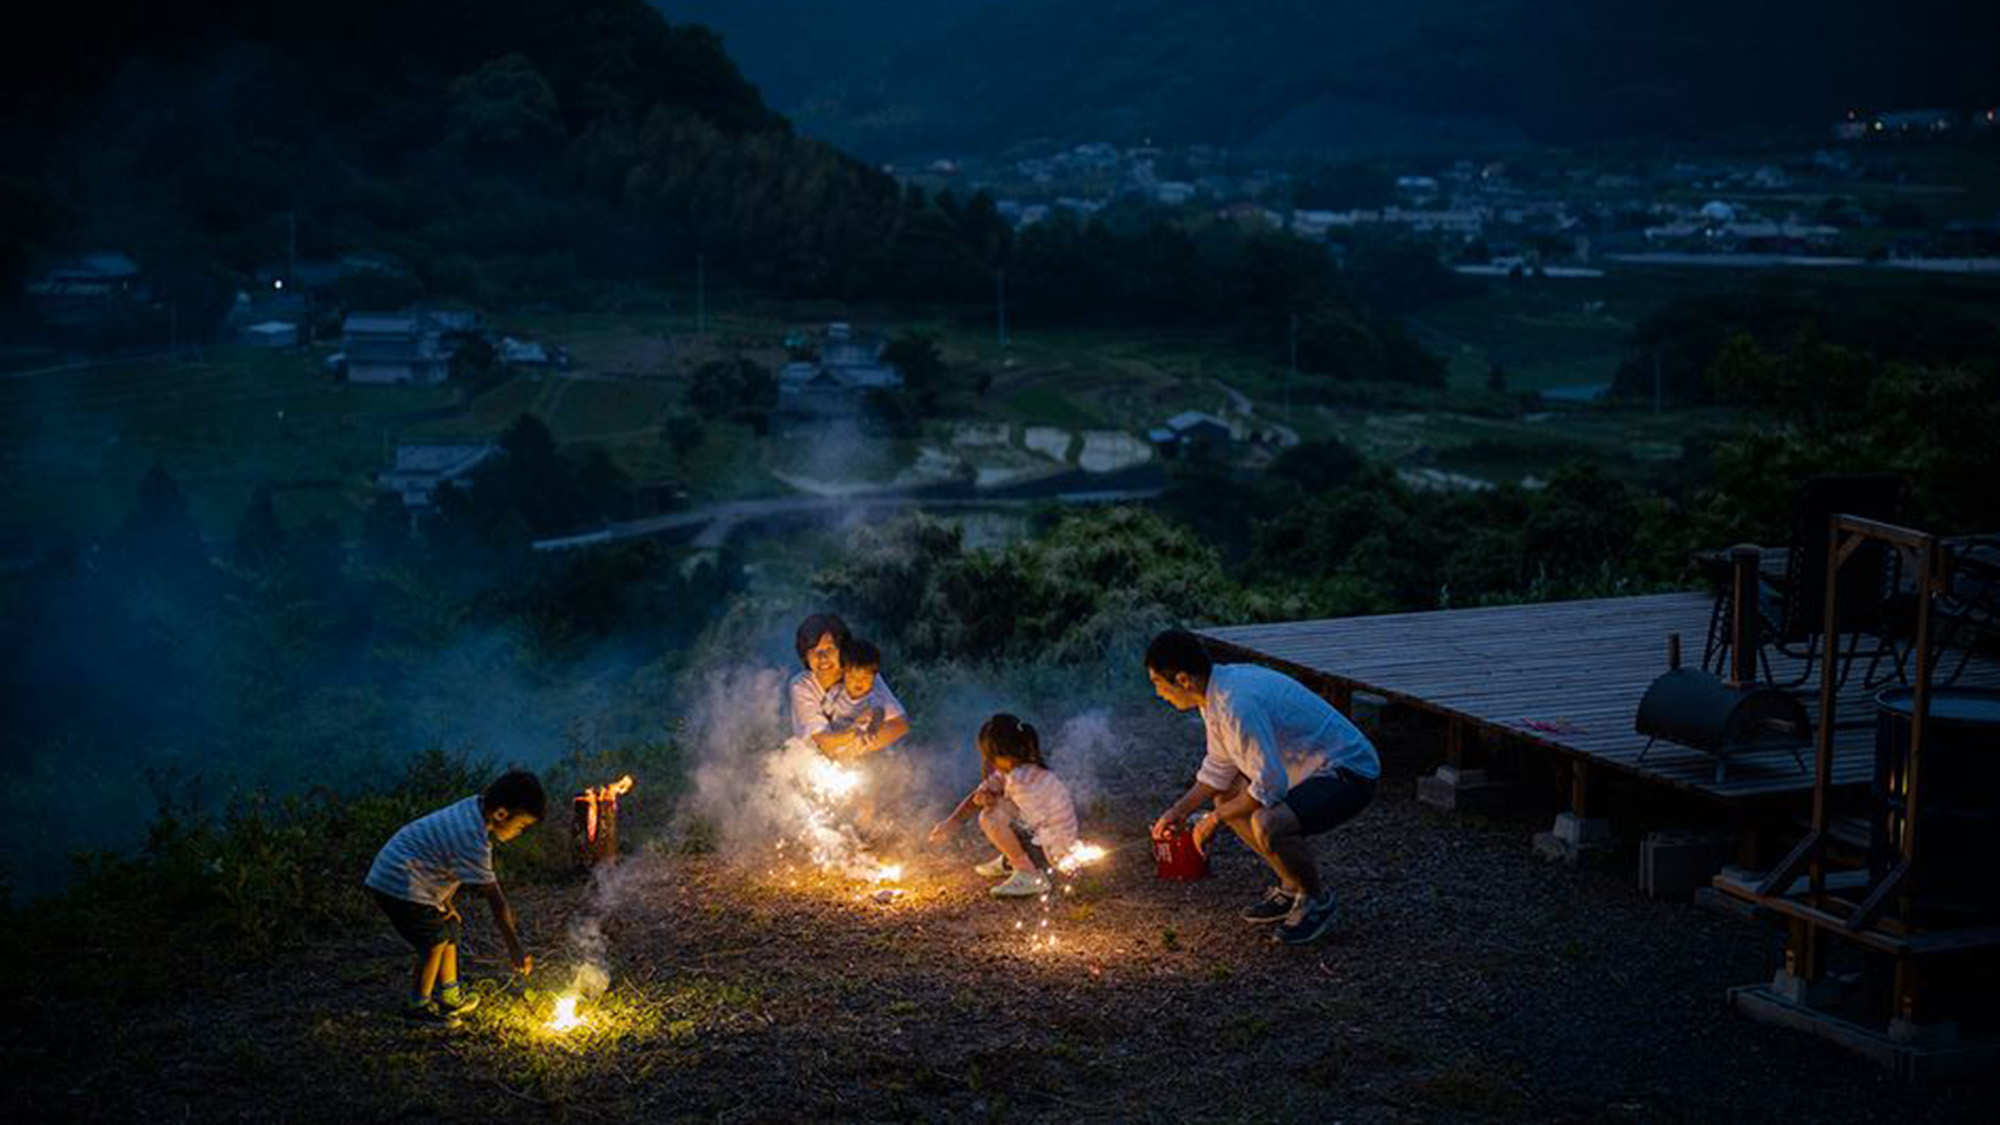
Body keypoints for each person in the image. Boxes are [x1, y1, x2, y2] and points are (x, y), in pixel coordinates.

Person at [1144, 629, 1378, 945]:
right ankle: (1291, 885)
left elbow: (1270, 784)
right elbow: (1219, 767)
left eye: (1158, 683)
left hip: (1349, 772)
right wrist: (1179, 811)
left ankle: (1316, 899)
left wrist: (1214, 820)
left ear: (1184, 679)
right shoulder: (1214, 694)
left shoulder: (1236, 703)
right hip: (1309, 772)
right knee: (1227, 795)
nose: (1158, 693)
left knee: (1268, 822)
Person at [364, 770, 544, 1024]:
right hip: (397, 882)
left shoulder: (472, 807)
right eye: (521, 825)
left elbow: (446, 858)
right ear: (501, 814)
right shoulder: (473, 838)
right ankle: (417, 1007)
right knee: (435, 939)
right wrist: (515, 948)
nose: (519, 832)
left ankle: (450, 995)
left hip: (409, 877)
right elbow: (497, 903)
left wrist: (445, 902)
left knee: (450, 926)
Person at [930, 713, 1080, 898]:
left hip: (1053, 851)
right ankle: (1013, 859)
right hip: (1045, 839)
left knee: (990, 817)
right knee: (997, 811)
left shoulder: (1022, 781)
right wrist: (953, 821)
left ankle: (1030, 874)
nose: (990, 763)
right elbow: (979, 794)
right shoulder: (1014, 770)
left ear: (1000, 754)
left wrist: (995, 801)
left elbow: (1031, 825)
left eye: (990, 756)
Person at [814, 635, 910, 761]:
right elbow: (824, 714)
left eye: (865, 678)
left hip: (858, 742)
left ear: (875, 677)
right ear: (844, 674)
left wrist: (872, 729)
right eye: (853, 677)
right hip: (838, 738)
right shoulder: (836, 692)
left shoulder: (872, 698)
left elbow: (878, 712)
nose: (859, 683)